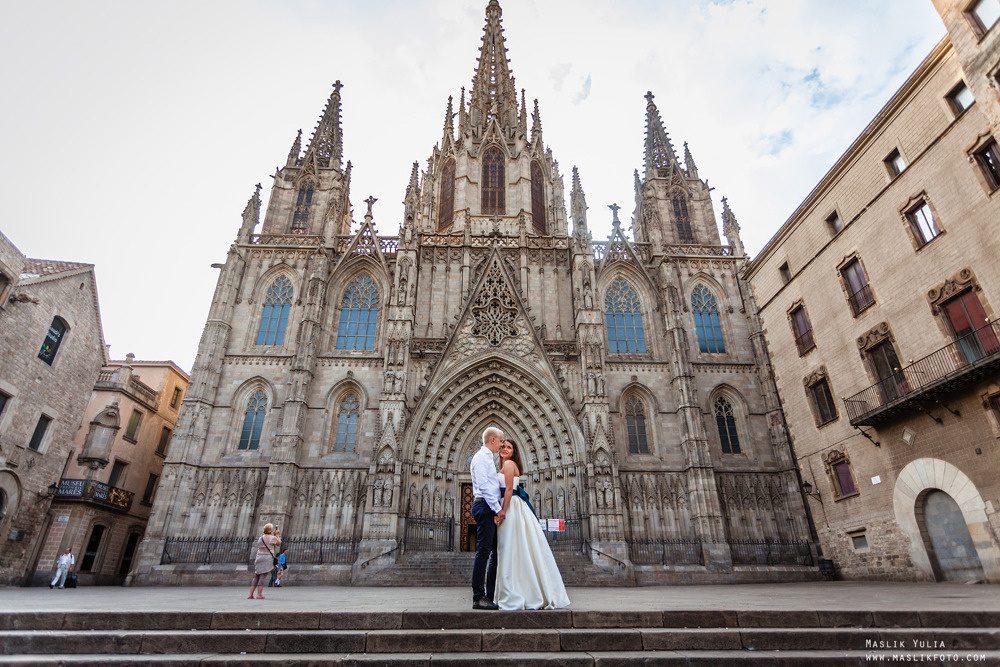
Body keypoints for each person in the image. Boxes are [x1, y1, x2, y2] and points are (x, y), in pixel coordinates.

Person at [494, 438, 570, 610]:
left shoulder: (508, 465)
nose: (505, 449)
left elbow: (507, 490)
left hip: (510, 506)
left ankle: (515, 593)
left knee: (509, 550)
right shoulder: (509, 465)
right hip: (516, 507)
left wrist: (502, 511)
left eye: (509, 447)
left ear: (514, 451)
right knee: (519, 550)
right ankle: (526, 591)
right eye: (503, 446)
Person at [470, 426, 505, 610]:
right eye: (500, 441)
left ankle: (489, 595)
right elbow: (484, 486)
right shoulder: (481, 458)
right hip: (485, 505)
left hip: (488, 506)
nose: (501, 445)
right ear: (492, 440)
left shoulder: (488, 458)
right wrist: (498, 509)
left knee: (495, 553)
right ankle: (478, 597)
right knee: (483, 552)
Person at [249, 524, 280, 600]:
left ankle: (250, 594)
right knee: (263, 576)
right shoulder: (272, 538)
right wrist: (277, 535)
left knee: (256, 576)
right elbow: (279, 543)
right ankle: (259, 594)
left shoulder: (260, 538)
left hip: (259, 557)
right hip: (267, 558)